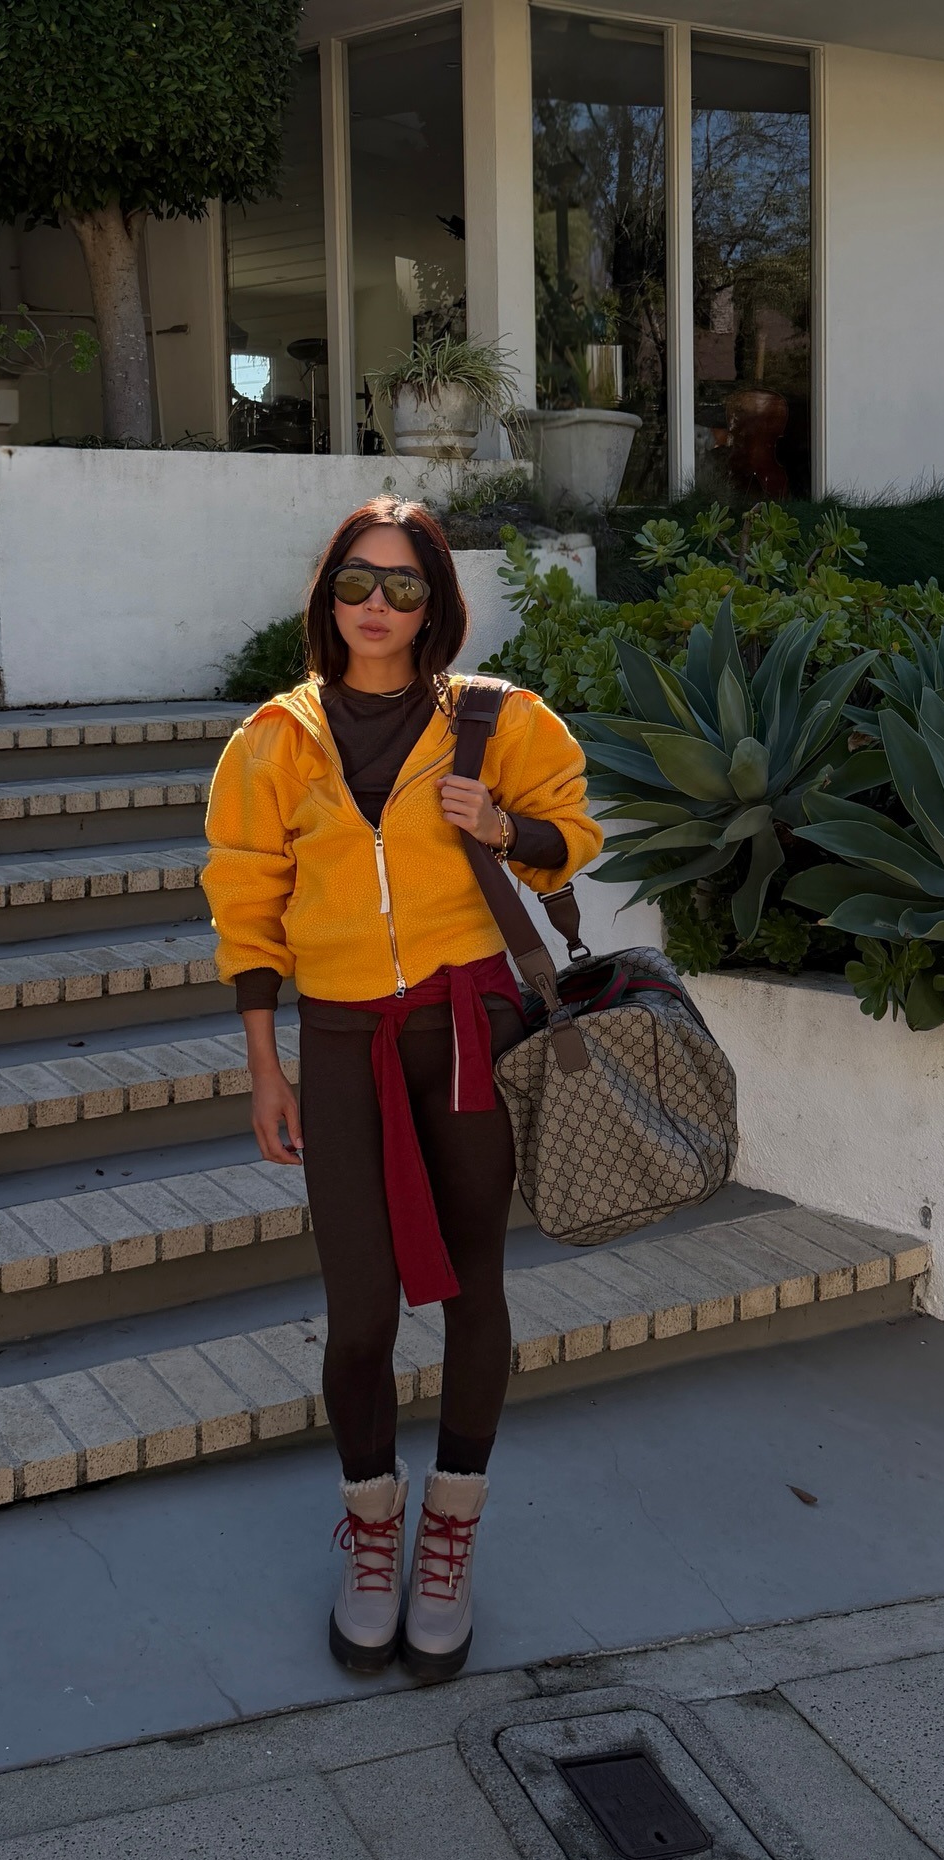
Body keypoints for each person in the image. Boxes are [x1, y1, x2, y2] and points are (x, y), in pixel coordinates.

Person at [202, 496, 602, 1679]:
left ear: (439, 601)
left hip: (470, 1029)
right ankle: (374, 1533)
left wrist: (509, 822)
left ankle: (450, 1542)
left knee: (477, 1291)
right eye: (355, 585)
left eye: (404, 586)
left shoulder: (498, 721)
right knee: (362, 1308)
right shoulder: (276, 739)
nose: (377, 607)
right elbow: (245, 897)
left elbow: (571, 834)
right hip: (337, 1044)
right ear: (329, 599)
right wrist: (262, 1061)